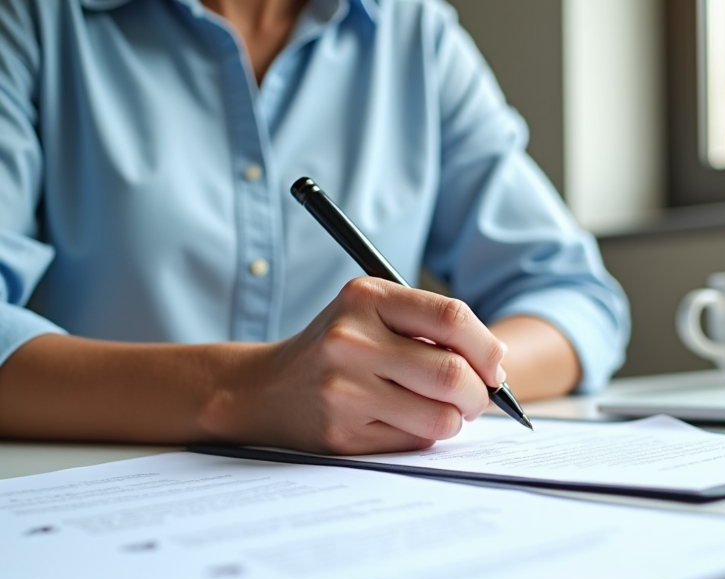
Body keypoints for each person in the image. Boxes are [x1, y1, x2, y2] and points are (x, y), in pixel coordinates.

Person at [0, 0, 629, 454]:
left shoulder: (414, 33)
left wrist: (438, 377)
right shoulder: (33, 22)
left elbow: (575, 297)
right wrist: (245, 391)